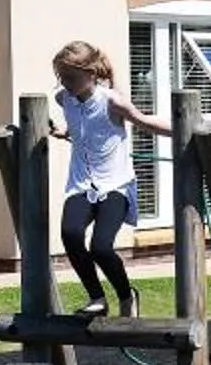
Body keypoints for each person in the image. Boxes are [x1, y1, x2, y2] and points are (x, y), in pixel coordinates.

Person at [48, 40, 172, 318]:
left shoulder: (112, 102)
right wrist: (63, 131)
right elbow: (81, 128)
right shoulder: (64, 99)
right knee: (70, 234)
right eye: (61, 77)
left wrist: (186, 130)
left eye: (70, 77)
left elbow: (145, 122)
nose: (65, 83)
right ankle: (97, 298)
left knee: (101, 247)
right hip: (81, 184)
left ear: (90, 73)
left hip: (116, 185)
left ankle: (127, 295)